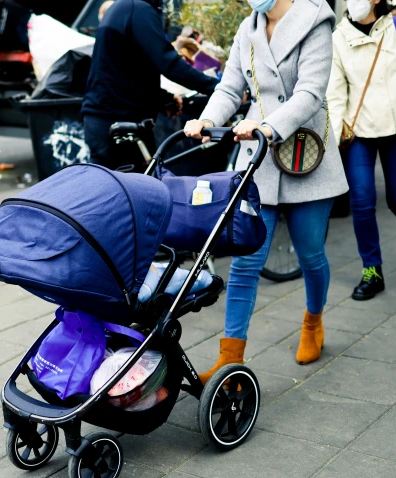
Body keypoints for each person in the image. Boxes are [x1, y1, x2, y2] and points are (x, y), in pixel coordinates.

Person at [184, 0, 348, 377]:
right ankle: (230, 357)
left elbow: (310, 93)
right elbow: (230, 88)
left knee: (310, 254)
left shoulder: (315, 21)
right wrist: (207, 119)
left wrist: (268, 127)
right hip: (257, 157)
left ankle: (313, 322)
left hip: (304, 152)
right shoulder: (249, 27)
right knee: (245, 261)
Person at [327, 0, 396, 301]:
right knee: (361, 201)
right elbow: (335, 95)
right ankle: (372, 270)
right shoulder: (338, 39)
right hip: (359, 132)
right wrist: (335, 140)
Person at [82, 0, 218, 167]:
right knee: (139, 188)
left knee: (121, 186)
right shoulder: (138, 9)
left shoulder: (123, 8)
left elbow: (127, 71)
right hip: (119, 123)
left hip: (105, 120)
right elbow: (168, 63)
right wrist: (218, 88)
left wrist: (163, 99)